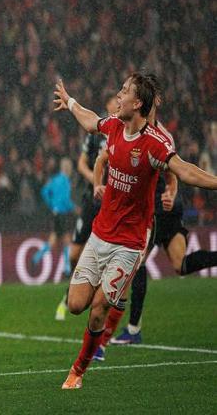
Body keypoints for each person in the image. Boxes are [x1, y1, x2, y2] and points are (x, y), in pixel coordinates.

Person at [53, 73, 217, 390]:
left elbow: (184, 170)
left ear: (137, 103)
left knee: (99, 309)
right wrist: (70, 101)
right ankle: (112, 305)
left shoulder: (155, 143)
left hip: (129, 243)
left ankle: (78, 370)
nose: (118, 94)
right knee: (75, 305)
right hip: (100, 235)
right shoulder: (114, 126)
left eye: (124, 91)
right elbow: (90, 122)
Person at [91, 74, 217, 359]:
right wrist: (98, 184)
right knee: (180, 265)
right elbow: (102, 160)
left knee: (134, 266)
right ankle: (129, 330)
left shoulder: (161, 138)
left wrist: (171, 192)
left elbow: (175, 173)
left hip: (159, 211)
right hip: (155, 211)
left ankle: (116, 336)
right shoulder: (125, 129)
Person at [54, 93, 117, 321]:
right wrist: (95, 180)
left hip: (112, 202)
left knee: (107, 255)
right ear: (107, 104)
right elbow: (81, 163)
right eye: (114, 100)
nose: (117, 102)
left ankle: (95, 299)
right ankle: (73, 288)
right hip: (92, 199)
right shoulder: (98, 132)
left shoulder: (126, 132)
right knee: (73, 254)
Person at [31, 157, 75, 276]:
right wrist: (73, 208)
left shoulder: (54, 179)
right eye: (70, 167)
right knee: (67, 240)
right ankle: (67, 269)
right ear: (67, 168)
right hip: (62, 213)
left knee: (54, 239)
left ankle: (37, 257)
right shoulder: (66, 181)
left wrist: (51, 204)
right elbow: (66, 199)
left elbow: (44, 191)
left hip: (55, 213)